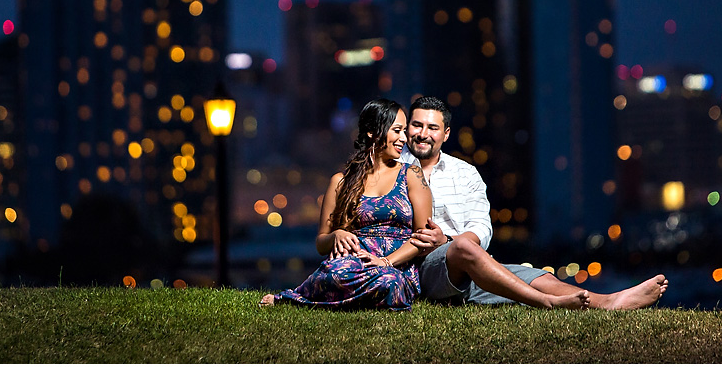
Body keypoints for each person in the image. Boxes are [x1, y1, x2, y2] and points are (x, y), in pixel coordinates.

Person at [405, 95, 668, 310]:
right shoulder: (392, 168)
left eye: (432, 128)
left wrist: (448, 242)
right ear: (407, 128)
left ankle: (609, 302)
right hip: (424, 269)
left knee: (541, 277)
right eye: (417, 125)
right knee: (464, 246)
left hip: (470, 264)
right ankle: (547, 303)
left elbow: (482, 227)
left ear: (446, 133)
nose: (423, 134)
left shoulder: (465, 173)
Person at [259, 98, 433, 310]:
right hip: (352, 262)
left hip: (396, 265)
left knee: (389, 282)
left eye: (404, 131)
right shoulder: (340, 182)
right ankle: (302, 297)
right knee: (334, 274)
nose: (403, 139)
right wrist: (337, 235)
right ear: (373, 132)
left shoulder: (411, 174)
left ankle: (335, 299)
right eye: (396, 131)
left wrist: (385, 261)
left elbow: (423, 237)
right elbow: (321, 243)